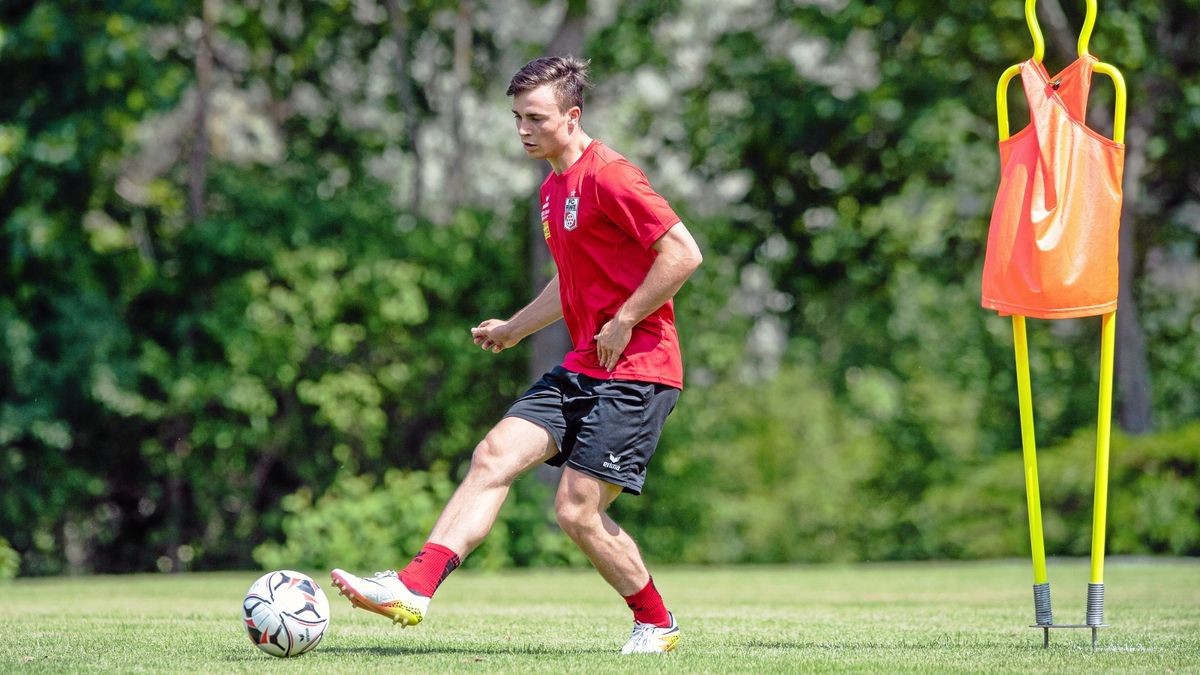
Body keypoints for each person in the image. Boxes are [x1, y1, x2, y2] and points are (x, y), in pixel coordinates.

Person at [330, 55, 702, 655]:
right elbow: (570, 280)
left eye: (535, 117)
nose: (523, 130)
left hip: (639, 369)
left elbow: (683, 254)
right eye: (516, 118)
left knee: (577, 512)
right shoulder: (553, 189)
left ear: (572, 115)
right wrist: (516, 329)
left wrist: (625, 320)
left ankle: (657, 625)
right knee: (494, 454)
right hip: (587, 362)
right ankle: (414, 587)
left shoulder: (612, 176)